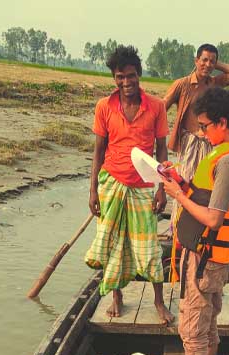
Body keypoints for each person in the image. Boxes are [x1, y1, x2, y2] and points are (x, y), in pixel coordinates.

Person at [161, 87, 229, 355]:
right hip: (219, 258)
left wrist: (177, 197)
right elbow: (207, 195)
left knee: (193, 332)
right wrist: (181, 182)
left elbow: (214, 219)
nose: (202, 133)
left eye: (205, 126)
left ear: (222, 123)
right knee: (208, 325)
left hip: (206, 259)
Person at [85, 45, 174, 324]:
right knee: (113, 245)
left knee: (148, 246)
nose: (126, 83)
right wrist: (93, 192)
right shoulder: (104, 107)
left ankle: (159, 302)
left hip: (143, 186)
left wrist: (162, 187)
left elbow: (161, 151)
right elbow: (98, 151)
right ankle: (117, 297)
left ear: (139, 75)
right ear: (114, 78)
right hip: (111, 184)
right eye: (120, 77)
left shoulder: (156, 107)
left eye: (131, 76)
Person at [164, 44, 229, 184]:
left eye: (212, 61)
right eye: (204, 60)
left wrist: (215, 64)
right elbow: (162, 108)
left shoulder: (214, 83)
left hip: (210, 141)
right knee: (185, 181)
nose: (208, 64)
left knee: (207, 183)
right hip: (190, 142)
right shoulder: (182, 84)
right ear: (196, 61)